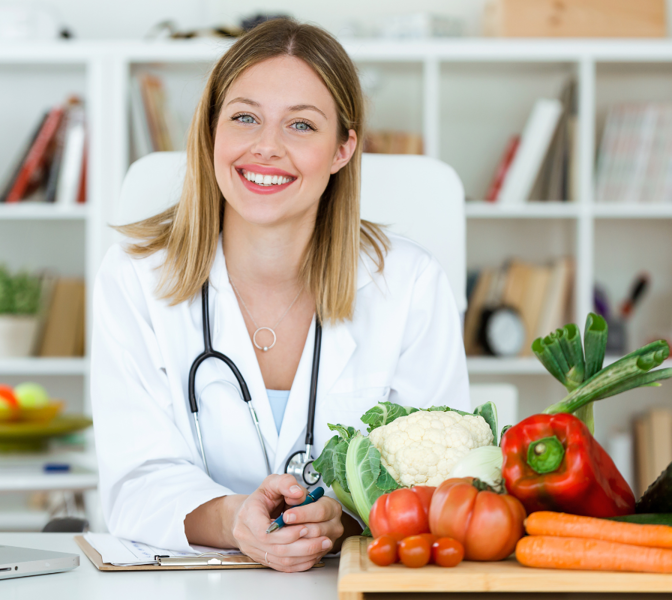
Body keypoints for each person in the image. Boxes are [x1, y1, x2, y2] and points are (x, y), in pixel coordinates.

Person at [91, 17, 470, 573]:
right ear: (210, 133)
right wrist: (234, 518)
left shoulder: (409, 284)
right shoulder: (136, 275)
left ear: (343, 149)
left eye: (301, 126)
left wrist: (341, 519)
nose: (266, 148)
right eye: (245, 118)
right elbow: (135, 480)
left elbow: (441, 479)